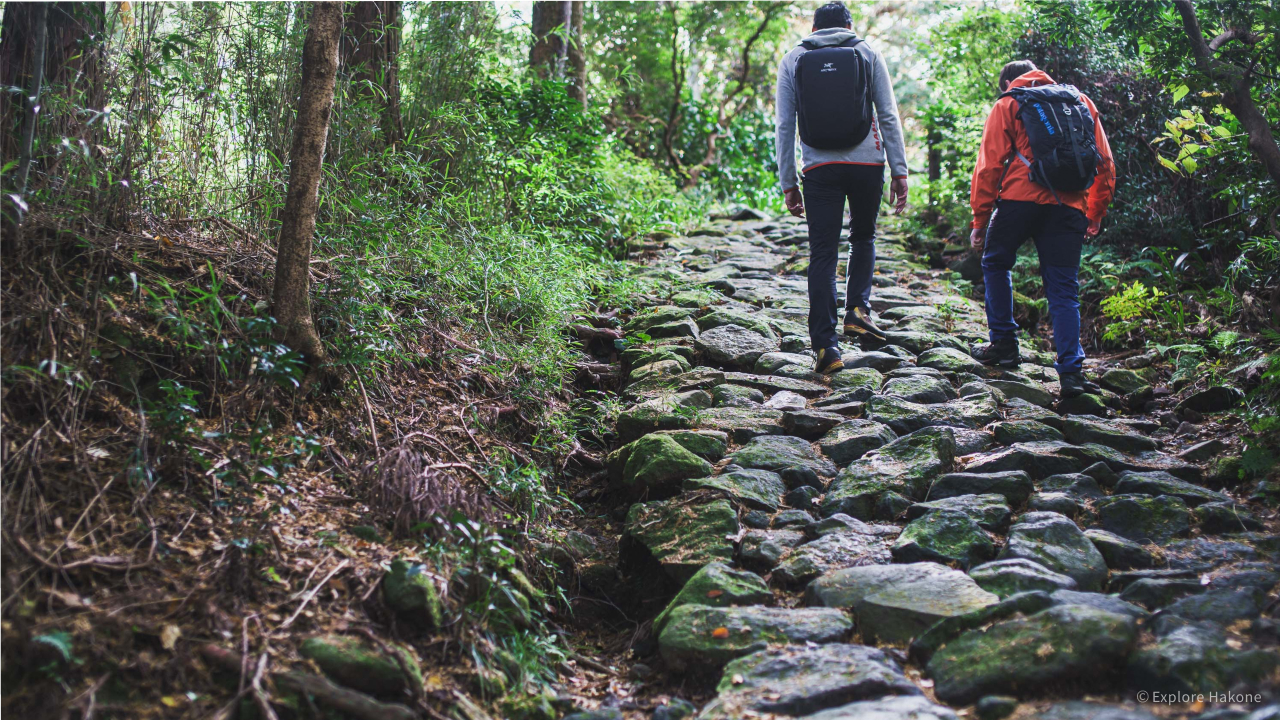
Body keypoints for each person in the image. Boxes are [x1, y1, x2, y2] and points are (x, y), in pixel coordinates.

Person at [775, 1, 909, 375]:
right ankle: (857, 311)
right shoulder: (867, 51)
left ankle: (826, 346)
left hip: (819, 168)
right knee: (863, 236)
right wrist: (899, 170)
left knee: (823, 251)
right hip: (868, 164)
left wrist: (788, 181)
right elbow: (888, 114)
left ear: (813, 28)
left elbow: (785, 125)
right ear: (849, 25)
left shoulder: (793, 58)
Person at [968, 60, 1116, 398]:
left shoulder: (1009, 102)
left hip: (1018, 201)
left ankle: (1004, 344)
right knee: (1063, 288)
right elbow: (1105, 163)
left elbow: (989, 166)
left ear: (1009, 82)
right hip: (1069, 206)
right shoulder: (1080, 101)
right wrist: (1095, 212)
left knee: (996, 262)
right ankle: (1071, 373)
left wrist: (980, 220)